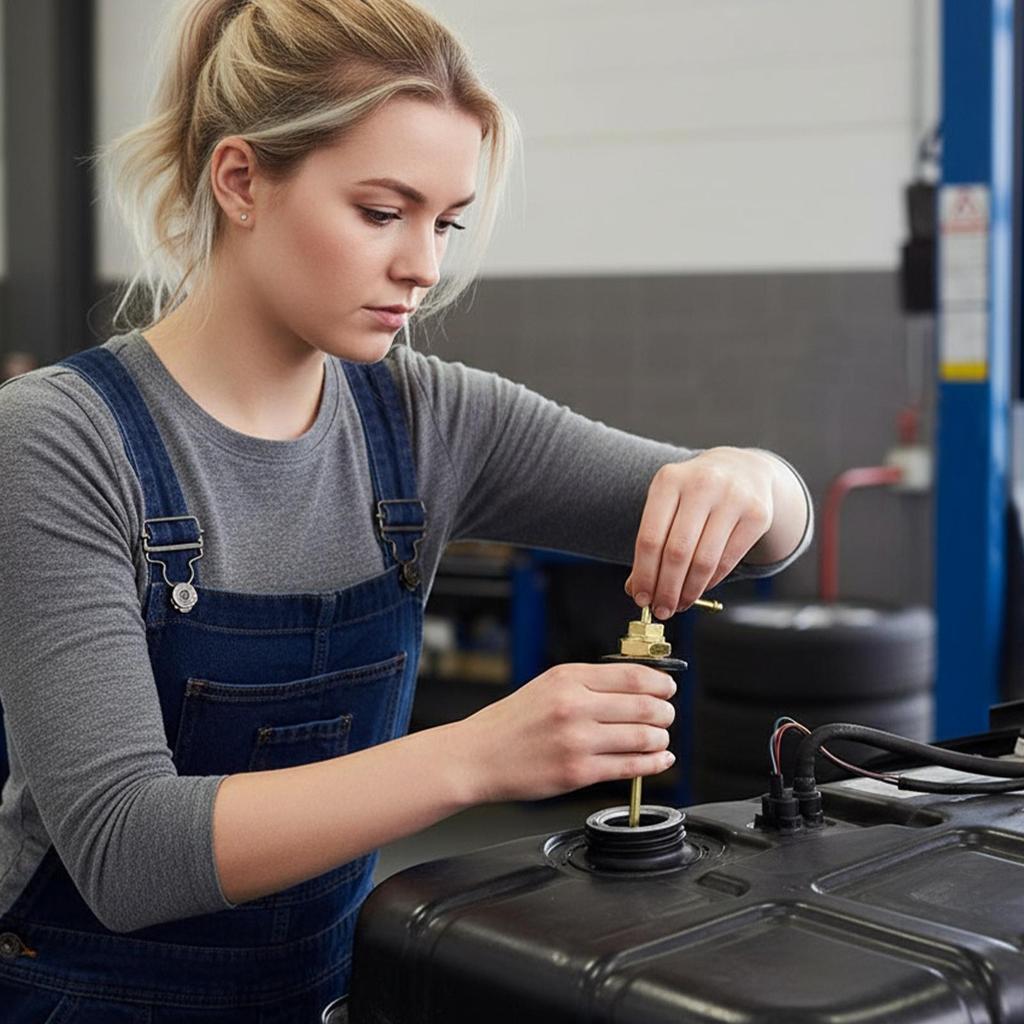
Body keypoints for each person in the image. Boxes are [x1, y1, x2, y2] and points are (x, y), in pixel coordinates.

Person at [0, 1, 813, 1020]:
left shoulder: (430, 417)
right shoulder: (58, 438)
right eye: (383, 212)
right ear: (242, 180)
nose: (423, 266)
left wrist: (751, 476)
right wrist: (479, 753)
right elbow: (129, 853)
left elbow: (767, 538)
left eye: (446, 221)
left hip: (333, 987)